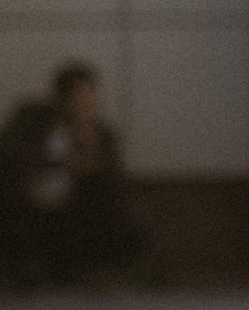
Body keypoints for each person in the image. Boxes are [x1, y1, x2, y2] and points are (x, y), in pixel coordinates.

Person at [0, 62, 143, 288]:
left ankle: (95, 269)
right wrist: (58, 165)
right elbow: (12, 155)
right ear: (62, 98)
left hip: (72, 205)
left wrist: (86, 139)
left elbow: (112, 178)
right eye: (80, 97)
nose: (87, 103)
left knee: (110, 203)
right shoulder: (31, 119)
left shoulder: (101, 133)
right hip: (28, 195)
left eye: (91, 97)